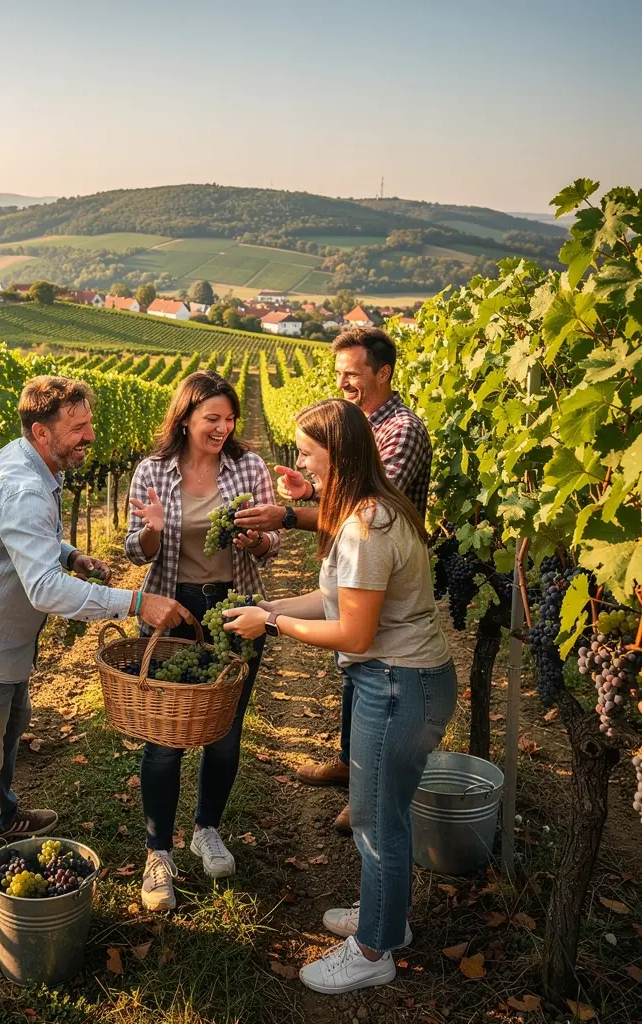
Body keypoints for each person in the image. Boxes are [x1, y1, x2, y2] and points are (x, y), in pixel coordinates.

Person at [0, 376, 189, 902]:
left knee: (10, 728)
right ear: (42, 432)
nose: (90, 435)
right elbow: (43, 590)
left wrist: (70, 554)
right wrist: (137, 602)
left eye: (89, 423)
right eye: (79, 427)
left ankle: (4, 816)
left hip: (3, 640)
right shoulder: (22, 487)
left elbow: (35, 547)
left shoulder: (31, 462)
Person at [223, 399, 456, 994]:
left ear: (338, 453)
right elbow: (336, 601)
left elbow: (353, 631)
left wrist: (271, 627)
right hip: (407, 679)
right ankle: (388, 918)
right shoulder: (370, 510)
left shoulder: (365, 528)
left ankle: (373, 951)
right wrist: (271, 607)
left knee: (377, 823)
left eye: (307, 451)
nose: (298, 461)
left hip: (397, 684)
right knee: (387, 816)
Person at [234, 326, 432, 835]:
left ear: (383, 373)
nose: (342, 383)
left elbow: (364, 506)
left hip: (397, 654)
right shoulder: (357, 431)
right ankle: (354, 767)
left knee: (378, 821)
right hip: (380, 647)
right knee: (355, 676)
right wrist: (311, 491)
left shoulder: (398, 434)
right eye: (338, 374)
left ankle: (366, 795)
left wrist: (289, 513)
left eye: (352, 374)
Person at [124, 370, 280, 912]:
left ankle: (206, 828)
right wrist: (152, 531)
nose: (222, 427)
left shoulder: (250, 467)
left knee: (226, 731)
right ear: (186, 416)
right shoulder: (152, 471)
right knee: (164, 737)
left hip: (237, 609)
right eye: (212, 417)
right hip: (171, 609)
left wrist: (259, 539)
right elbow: (135, 552)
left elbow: (273, 543)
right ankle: (158, 853)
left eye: (229, 419)